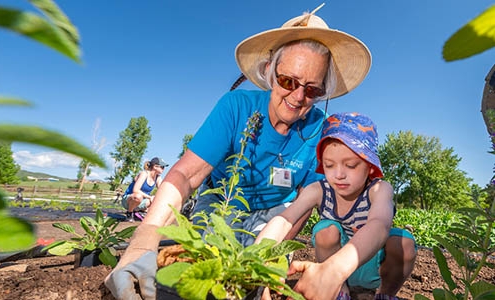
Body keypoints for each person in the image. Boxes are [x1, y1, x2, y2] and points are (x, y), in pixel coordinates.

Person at [105, 5, 372, 299]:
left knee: (256, 277)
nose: (298, 97)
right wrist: (145, 239)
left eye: (312, 90)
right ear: (270, 71)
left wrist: (272, 254)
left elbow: (304, 204)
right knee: (211, 265)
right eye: (288, 81)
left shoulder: (319, 130)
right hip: (223, 201)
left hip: (276, 213)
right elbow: (185, 174)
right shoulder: (236, 107)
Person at [255, 112, 417, 300]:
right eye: (330, 165)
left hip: (372, 264)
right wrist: (257, 258)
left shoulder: (379, 189)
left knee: (403, 242)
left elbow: (379, 225)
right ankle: (341, 292)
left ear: (370, 166)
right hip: (333, 267)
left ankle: (385, 294)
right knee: (325, 230)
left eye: (350, 165)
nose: (338, 174)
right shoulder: (318, 190)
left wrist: (334, 270)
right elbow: (285, 219)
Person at [121, 157, 168, 222]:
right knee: (138, 196)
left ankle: (140, 213)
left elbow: (163, 190)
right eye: (162, 167)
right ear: (155, 166)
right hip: (129, 200)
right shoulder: (144, 174)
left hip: (142, 201)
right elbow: (136, 190)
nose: (163, 169)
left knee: (157, 199)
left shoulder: (158, 178)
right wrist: (150, 197)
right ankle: (129, 214)